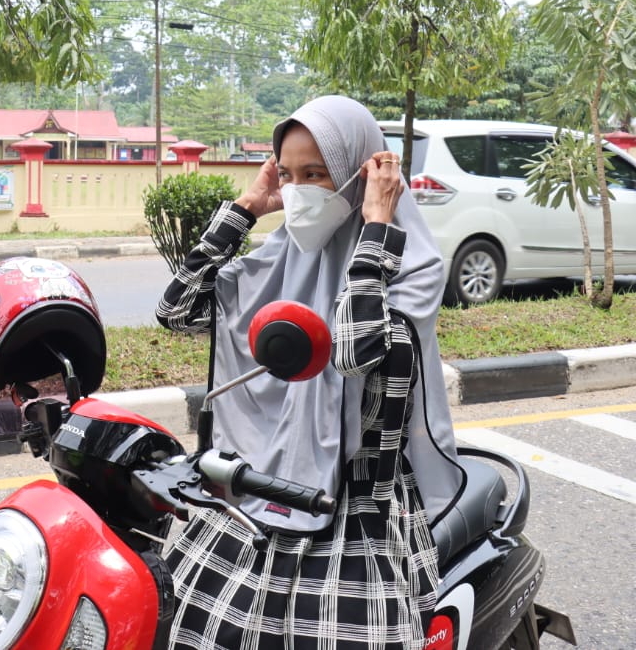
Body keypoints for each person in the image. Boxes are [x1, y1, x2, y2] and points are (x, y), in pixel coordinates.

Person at [156, 95, 464, 650]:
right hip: (254, 493)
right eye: (290, 175)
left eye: (316, 174)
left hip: (356, 518)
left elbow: (351, 350)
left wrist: (376, 229)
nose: (299, 190)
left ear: (364, 174)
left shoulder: (413, 269)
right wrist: (247, 207)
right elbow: (175, 311)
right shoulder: (278, 260)